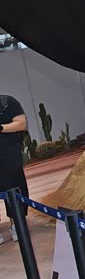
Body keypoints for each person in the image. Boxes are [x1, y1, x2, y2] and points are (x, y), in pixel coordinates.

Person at [0, 94, 28, 245]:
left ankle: (16, 225)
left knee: (13, 188)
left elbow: (21, 124)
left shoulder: (7, 102)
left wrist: (1, 128)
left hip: (9, 156)